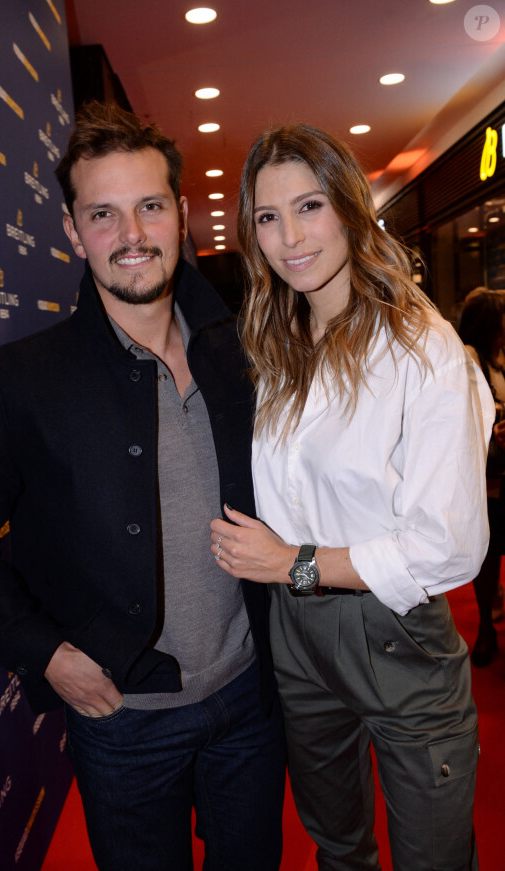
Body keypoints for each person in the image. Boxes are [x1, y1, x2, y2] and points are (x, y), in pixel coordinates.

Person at [0, 101, 285, 871]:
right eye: (103, 214)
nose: (131, 235)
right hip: (125, 722)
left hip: (251, 700)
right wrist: (43, 651)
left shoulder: (242, 351)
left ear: (180, 213)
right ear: (71, 230)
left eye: (150, 206)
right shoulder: (24, 381)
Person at [209, 124, 494, 871]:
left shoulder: (417, 344)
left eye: (309, 206)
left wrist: (293, 563)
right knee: (337, 848)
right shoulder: (275, 340)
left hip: (393, 630)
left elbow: (451, 545)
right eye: (267, 218)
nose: (290, 236)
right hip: (297, 637)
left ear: (349, 207)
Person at [458, 287, 505, 666]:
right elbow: (466, 418)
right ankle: (486, 631)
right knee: (488, 557)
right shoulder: (468, 357)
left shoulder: (498, 355)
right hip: (488, 477)